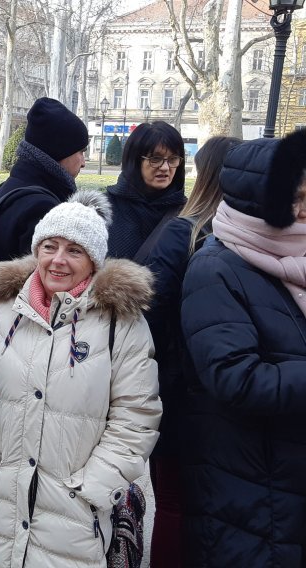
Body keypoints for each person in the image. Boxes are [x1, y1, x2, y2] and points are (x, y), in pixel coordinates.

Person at [0, 190, 162, 567]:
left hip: (75, 515)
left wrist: (93, 488)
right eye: (50, 246)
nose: (58, 260)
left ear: (94, 260)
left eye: (75, 251)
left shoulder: (121, 323)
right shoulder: (2, 311)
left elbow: (136, 416)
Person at [179, 129, 306, 565]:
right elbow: (235, 377)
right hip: (254, 489)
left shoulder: (296, 257)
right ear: (262, 202)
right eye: (298, 198)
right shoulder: (216, 268)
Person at [142, 136, 241, 567]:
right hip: (227, 390)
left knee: (174, 501)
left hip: (178, 389)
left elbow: (149, 314)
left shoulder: (183, 232)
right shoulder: (247, 236)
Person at [0, 97, 89, 263]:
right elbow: (47, 280)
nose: (83, 162)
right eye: (80, 152)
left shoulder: (10, 187)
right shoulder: (42, 207)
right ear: (59, 151)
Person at [106, 121, 187, 261]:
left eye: (173, 159)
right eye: (156, 159)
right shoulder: (103, 210)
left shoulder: (188, 214)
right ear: (135, 161)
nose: (165, 168)